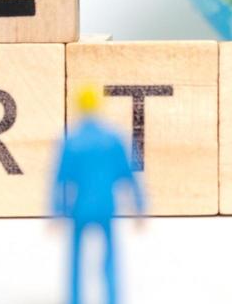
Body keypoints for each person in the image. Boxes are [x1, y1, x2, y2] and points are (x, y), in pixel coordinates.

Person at [52, 86, 145, 304]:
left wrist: (56, 210)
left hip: (79, 207)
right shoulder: (112, 138)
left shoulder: (71, 141)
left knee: (75, 260)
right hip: (106, 206)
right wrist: (139, 207)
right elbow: (129, 176)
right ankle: (112, 298)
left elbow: (59, 179)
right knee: (110, 257)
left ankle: (75, 299)